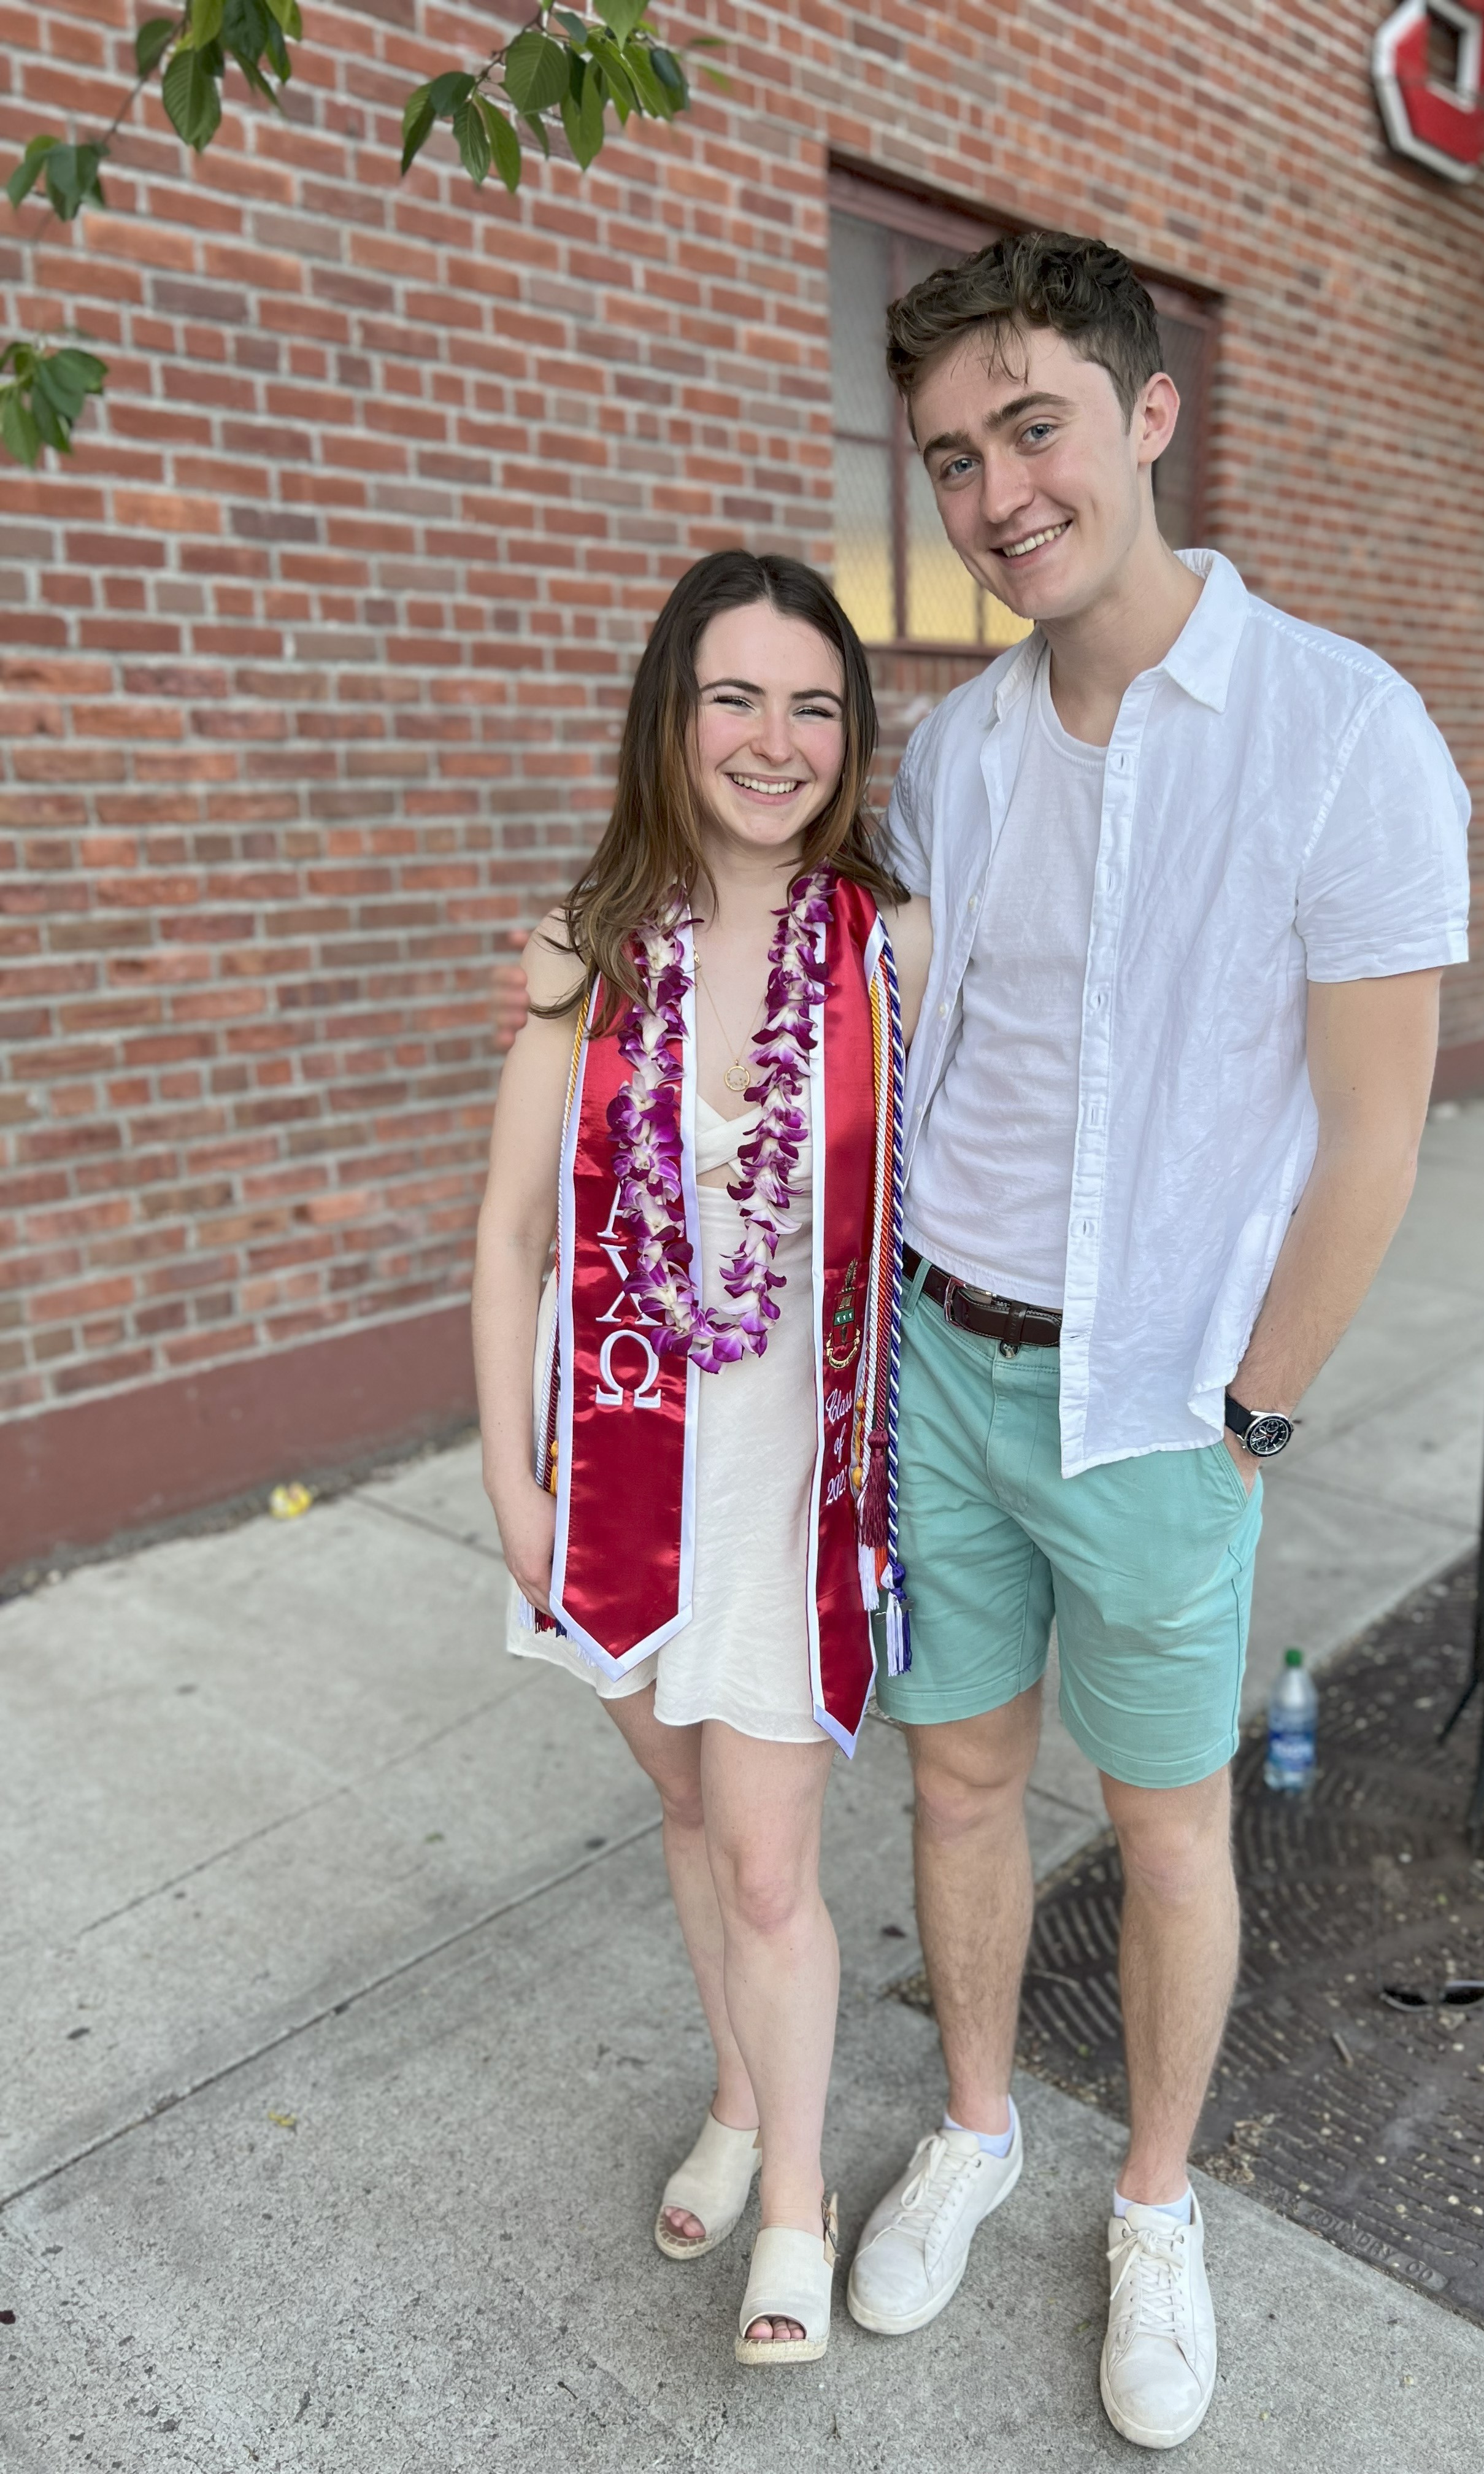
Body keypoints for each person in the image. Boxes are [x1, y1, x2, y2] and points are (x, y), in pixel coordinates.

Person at [490, 233, 1467, 2453]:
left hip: (1162, 1404)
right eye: (949, 455)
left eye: (1033, 427)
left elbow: (1380, 1144)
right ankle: (969, 2130)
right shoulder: (955, 755)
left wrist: (1250, 1420)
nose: (996, 487)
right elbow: (791, 935)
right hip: (935, 1368)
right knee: (955, 1785)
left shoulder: (1341, 732)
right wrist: (588, 941)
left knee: (1174, 1826)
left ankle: (1150, 2202)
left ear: (1146, 414)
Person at [471, 549, 930, 2370]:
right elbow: (511, 1235)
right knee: (683, 1814)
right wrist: (511, 1486)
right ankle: (739, 2100)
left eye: (813, 704)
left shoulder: (881, 945)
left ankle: (800, 2202)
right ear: (673, 712)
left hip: (792, 1495)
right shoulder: (587, 947)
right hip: (616, 1484)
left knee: (766, 1867)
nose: (775, 738)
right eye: (735, 696)